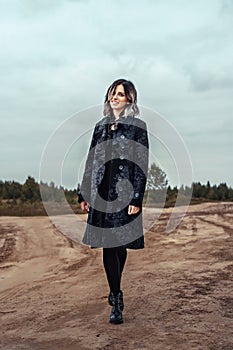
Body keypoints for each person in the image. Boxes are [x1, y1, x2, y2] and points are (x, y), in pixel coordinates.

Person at [77, 78, 149, 324]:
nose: (115, 97)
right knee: (109, 245)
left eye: (121, 94)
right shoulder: (100, 127)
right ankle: (117, 298)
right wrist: (84, 193)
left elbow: (141, 164)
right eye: (113, 93)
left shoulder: (138, 127)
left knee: (120, 246)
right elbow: (90, 161)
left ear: (130, 99)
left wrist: (137, 198)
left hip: (125, 194)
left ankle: (114, 287)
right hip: (101, 195)